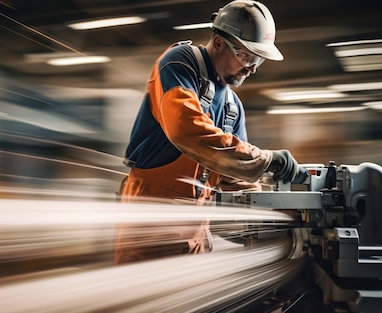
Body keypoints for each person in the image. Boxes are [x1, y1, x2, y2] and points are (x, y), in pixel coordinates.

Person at [114, 0, 301, 264]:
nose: (252, 68)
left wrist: (284, 211)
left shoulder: (232, 106)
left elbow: (235, 177)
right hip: (150, 220)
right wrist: (267, 160)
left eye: (258, 59)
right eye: (246, 56)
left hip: (195, 226)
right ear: (219, 42)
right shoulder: (180, 64)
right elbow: (185, 129)